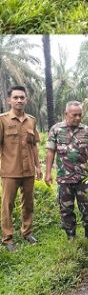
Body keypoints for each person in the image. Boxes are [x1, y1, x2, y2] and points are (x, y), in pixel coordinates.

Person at [45, 101, 88, 239]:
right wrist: (47, 173)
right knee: (66, 209)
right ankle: (71, 236)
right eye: (74, 115)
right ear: (66, 114)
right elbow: (50, 152)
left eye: (80, 115)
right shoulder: (56, 129)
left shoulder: (86, 130)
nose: (77, 118)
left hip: (83, 178)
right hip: (64, 178)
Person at [0, 86, 42, 251]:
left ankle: (26, 232)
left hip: (28, 171)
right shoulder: (2, 120)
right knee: (7, 205)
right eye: (16, 97)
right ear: (9, 100)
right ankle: (8, 239)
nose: (19, 100)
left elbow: (34, 146)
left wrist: (38, 166)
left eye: (22, 97)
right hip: (9, 171)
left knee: (28, 203)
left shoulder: (31, 120)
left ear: (26, 100)